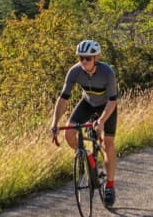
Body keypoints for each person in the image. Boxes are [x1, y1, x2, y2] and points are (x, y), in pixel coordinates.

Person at [50, 39, 119, 206]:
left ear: (96, 57)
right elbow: (63, 98)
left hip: (107, 106)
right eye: (81, 57)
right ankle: (87, 155)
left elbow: (112, 101)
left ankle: (109, 186)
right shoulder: (74, 71)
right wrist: (55, 123)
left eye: (88, 58)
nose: (84, 61)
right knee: (69, 133)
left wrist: (102, 121)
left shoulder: (107, 73)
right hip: (87, 103)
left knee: (108, 144)